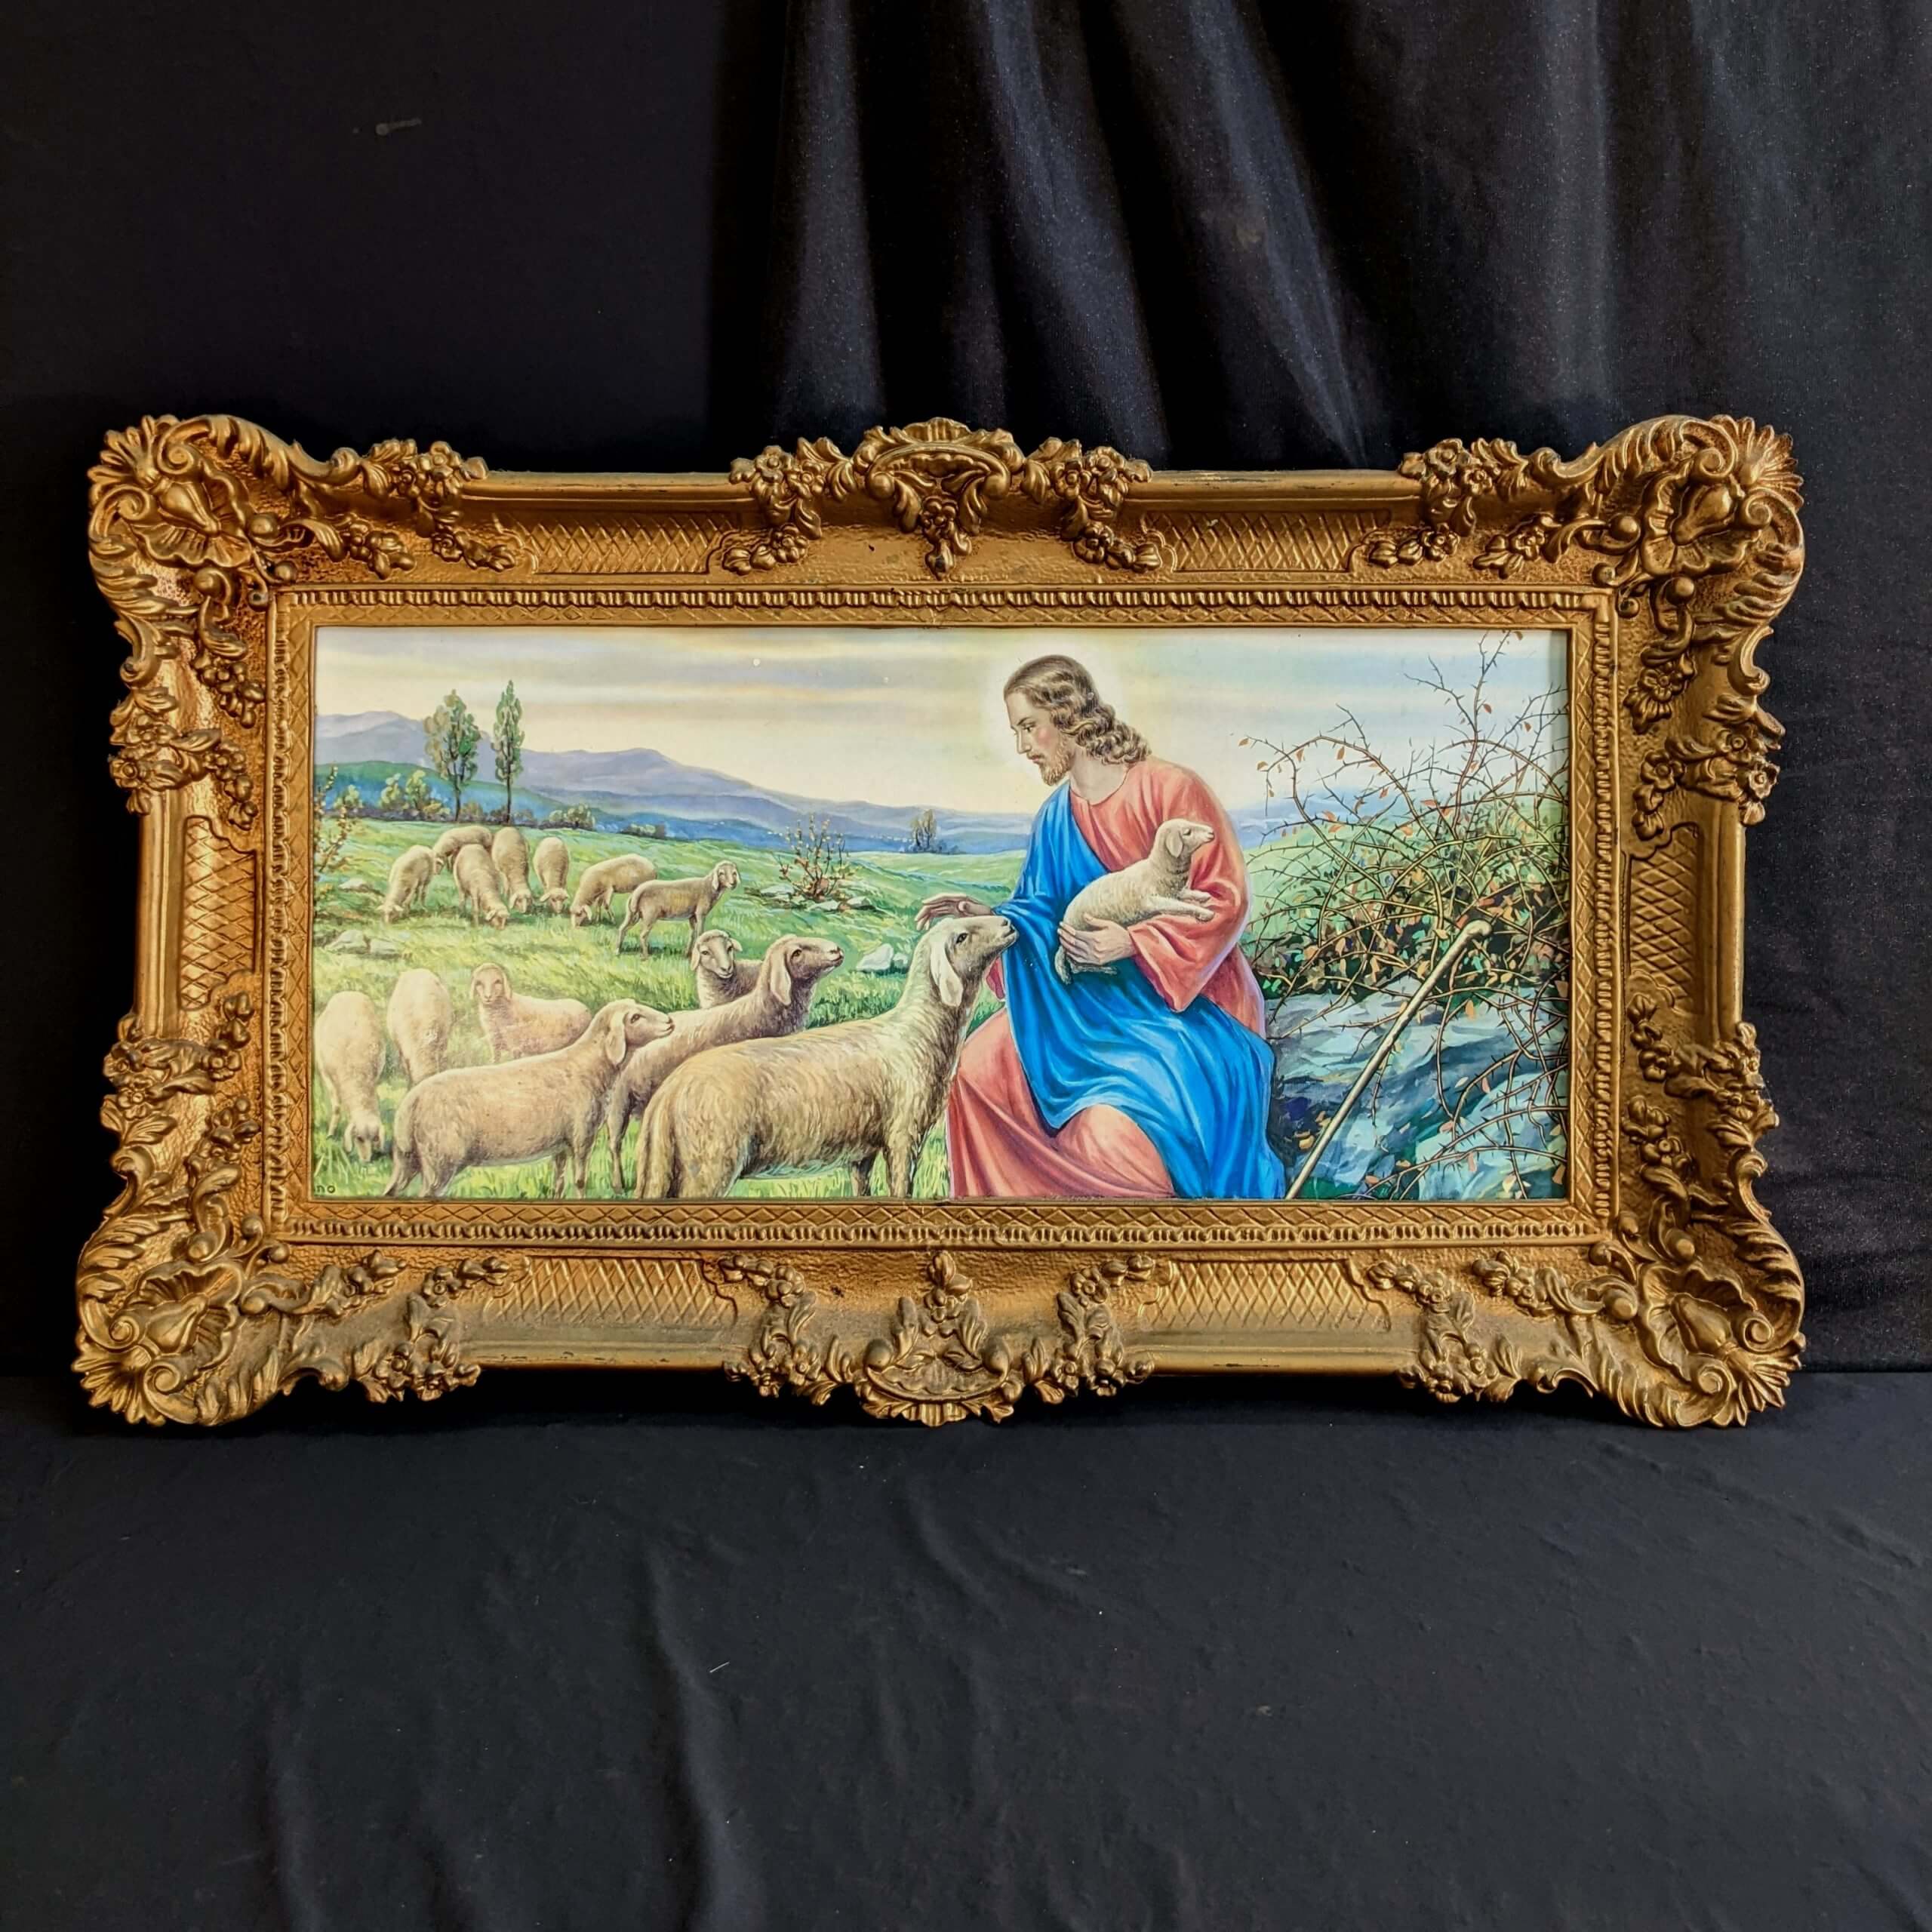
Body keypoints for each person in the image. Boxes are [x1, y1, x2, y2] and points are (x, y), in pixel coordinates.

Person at [918, 654, 1284, 1199]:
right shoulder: (1054, 817)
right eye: (1016, 731)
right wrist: (989, 919)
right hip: (1084, 1002)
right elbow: (1041, 914)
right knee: (975, 1071)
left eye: (1029, 727)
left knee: (1109, 1133)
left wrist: (1133, 943)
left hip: (1184, 1009)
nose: (1022, 746)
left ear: (1067, 715)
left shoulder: (1169, 790)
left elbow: (1223, 900)